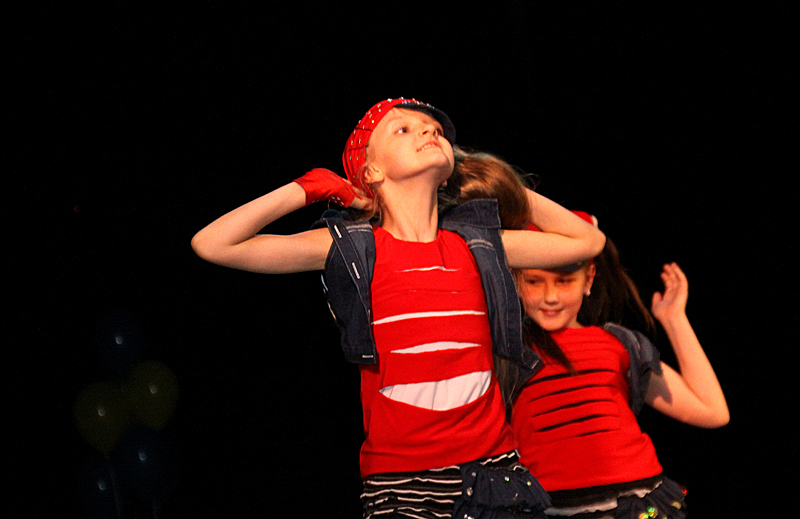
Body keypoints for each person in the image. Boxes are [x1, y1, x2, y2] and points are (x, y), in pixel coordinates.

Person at [191, 97, 606, 518]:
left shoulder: (478, 244)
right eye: (403, 129)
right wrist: (307, 188)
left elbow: (588, 241)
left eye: (436, 130)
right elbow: (212, 244)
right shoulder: (354, 248)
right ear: (372, 171)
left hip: (493, 475)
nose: (428, 131)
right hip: (404, 484)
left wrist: (501, 182)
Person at [511, 225, 729, 518]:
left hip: (634, 500)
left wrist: (674, 319)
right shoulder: (506, 352)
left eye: (564, 281)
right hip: (551, 505)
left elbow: (712, 411)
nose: (550, 296)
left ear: (589, 279)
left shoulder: (617, 343)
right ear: (515, 280)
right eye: (534, 281)